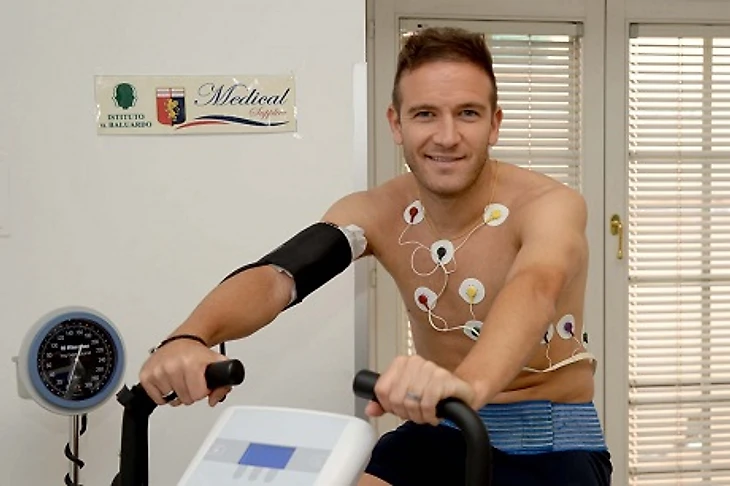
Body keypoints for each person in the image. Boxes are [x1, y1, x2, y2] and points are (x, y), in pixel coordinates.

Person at [139, 27, 612, 485]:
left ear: (495, 123)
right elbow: (279, 277)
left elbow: (536, 286)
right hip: (442, 426)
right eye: (425, 114)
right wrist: (189, 335)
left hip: (551, 440)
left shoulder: (549, 204)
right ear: (396, 124)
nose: (447, 136)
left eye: (467, 113)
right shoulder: (377, 212)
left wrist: (468, 385)